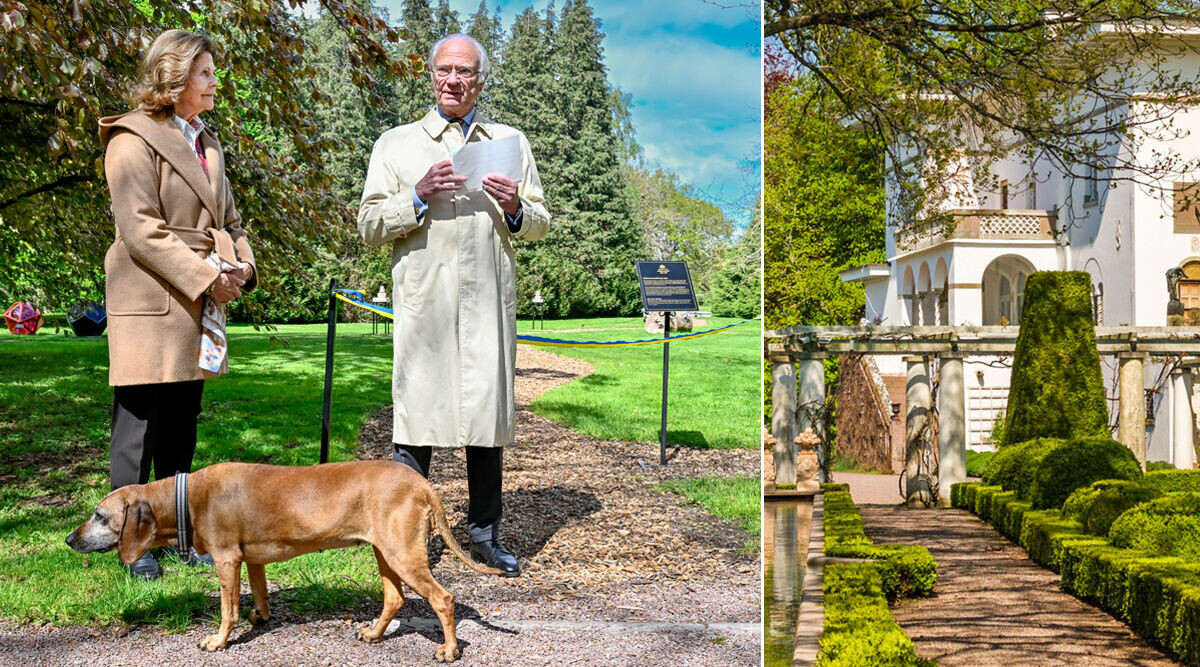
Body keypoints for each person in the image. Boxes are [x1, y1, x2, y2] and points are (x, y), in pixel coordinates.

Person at [358, 33, 550, 577]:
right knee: (417, 420)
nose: (454, 80)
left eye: (465, 71)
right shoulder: (396, 144)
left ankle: (485, 534)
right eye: (445, 69)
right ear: (430, 74)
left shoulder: (511, 140)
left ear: (480, 80)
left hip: (487, 298)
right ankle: (403, 537)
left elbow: (540, 221)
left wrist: (515, 205)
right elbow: (368, 225)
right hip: (427, 304)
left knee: (485, 420)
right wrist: (417, 195)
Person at [99, 29, 257, 580]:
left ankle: (175, 531)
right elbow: (140, 231)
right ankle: (130, 538)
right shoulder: (130, 139)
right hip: (149, 293)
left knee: (182, 423)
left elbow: (230, 222)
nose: (215, 82)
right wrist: (205, 278)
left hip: (196, 297)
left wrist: (243, 267)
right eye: (206, 73)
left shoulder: (207, 142)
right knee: (139, 424)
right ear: (175, 78)